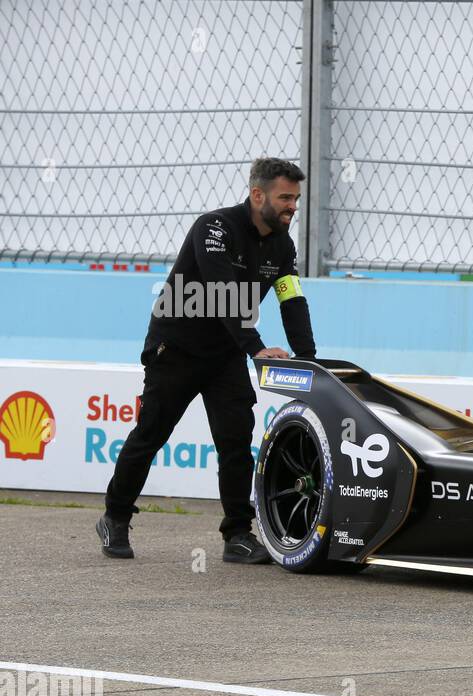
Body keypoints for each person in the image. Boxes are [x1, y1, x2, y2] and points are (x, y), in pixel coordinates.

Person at [96, 157, 317, 561]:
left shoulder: (283, 246)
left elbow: (292, 299)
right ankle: (115, 517)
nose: (293, 207)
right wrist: (255, 348)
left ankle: (237, 535)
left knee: (235, 442)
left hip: (225, 354)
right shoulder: (214, 227)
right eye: (285, 197)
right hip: (175, 349)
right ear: (257, 194)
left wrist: (308, 357)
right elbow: (220, 291)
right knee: (150, 435)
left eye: (296, 199)